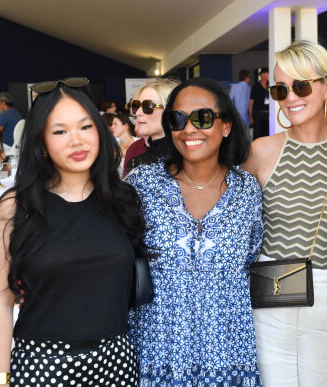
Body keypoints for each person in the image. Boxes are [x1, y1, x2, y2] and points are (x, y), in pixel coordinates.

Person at [0, 80, 147, 386]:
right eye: (60, 131)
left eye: (85, 127)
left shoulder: (123, 200)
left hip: (117, 364)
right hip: (42, 366)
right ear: (41, 143)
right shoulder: (15, 207)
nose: (77, 141)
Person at [127, 77, 263, 386]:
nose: (189, 129)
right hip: (156, 354)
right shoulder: (141, 185)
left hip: (228, 356)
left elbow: (251, 255)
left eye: (202, 118)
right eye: (177, 119)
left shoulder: (247, 191)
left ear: (225, 125)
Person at [244, 40, 327, 387]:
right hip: (271, 291)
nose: (291, 97)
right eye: (281, 89)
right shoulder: (261, 152)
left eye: (301, 86)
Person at [124, 78, 179, 173]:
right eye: (136, 106)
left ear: (169, 110)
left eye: (148, 106)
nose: (138, 112)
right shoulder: (134, 152)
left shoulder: (188, 153)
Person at [107, 112, 136, 177]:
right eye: (112, 124)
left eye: (115, 124)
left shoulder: (139, 143)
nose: (112, 127)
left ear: (125, 126)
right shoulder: (114, 147)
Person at [249, 67, 270, 139]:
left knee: (268, 134)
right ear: (263, 75)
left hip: (269, 114)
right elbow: (251, 102)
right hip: (258, 114)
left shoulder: (270, 86)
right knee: (257, 134)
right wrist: (250, 116)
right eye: (268, 73)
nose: (269, 75)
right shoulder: (255, 87)